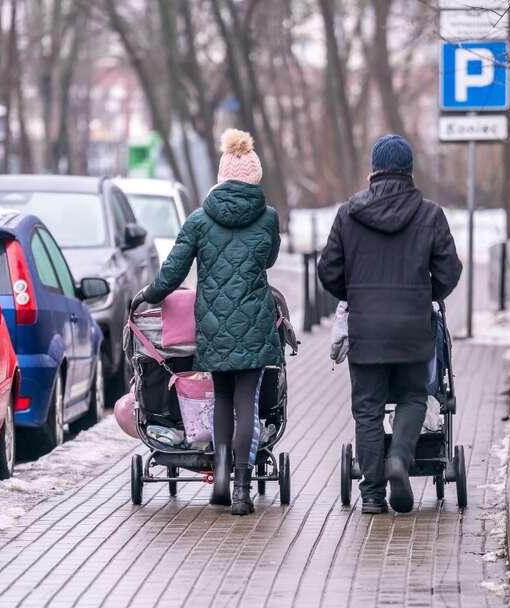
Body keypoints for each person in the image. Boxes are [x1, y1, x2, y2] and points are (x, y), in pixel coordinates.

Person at [134, 129, 281, 516]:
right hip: (255, 321)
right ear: (255, 176)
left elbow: (173, 271)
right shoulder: (267, 218)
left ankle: (219, 475)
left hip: (214, 324)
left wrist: (148, 295)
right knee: (248, 402)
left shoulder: (200, 220)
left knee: (223, 397)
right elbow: (269, 261)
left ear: (221, 175)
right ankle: (243, 489)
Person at [317, 134, 462, 515]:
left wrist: (355, 294)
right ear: (409, 171)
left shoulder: (349, 213)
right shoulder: (430, 214)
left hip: (366, 332)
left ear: (374, 171)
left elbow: (328, 270)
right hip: (413, 329)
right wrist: (427, 294)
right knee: (415, 396)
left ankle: (371, 495)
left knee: (367, 410)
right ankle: (399, 457)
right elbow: (450, 271)